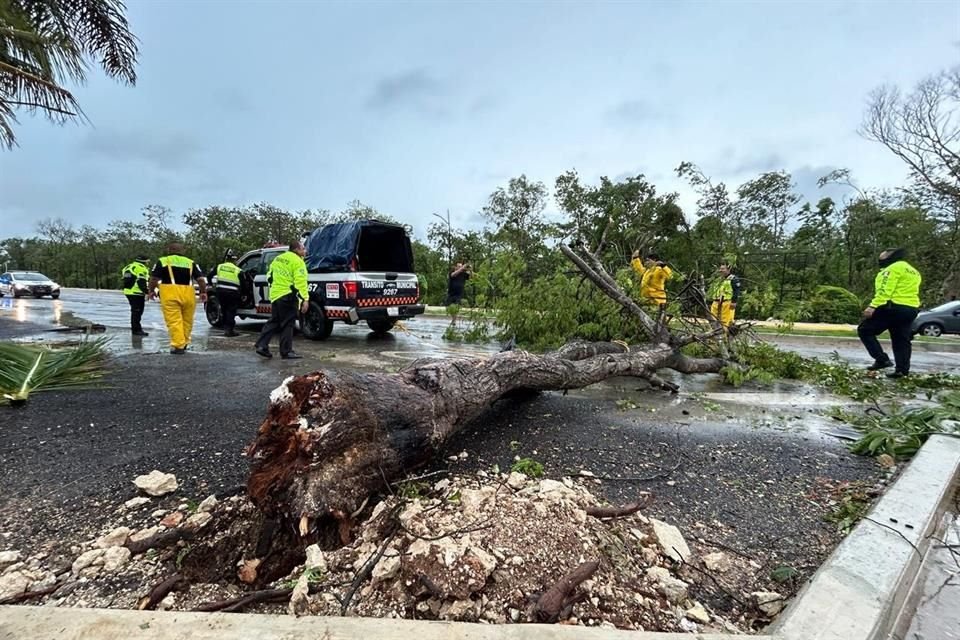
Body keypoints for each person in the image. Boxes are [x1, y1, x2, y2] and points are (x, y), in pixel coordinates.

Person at [858, 248, 922, 378]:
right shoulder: (913, 271)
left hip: (893, 307)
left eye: (882, 258)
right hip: (911, 309)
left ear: (890, 258)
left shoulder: (890, 270)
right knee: (901, 339)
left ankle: (882, 359)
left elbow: (884, 291)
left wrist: (872, 306)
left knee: (865, 330)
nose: (880, 260)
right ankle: (902, 370)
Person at [255, 239, 309, 360]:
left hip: (276, 295)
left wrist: (274, 289)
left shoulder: (278, 259)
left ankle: (262, 345)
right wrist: (305, 299)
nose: (305, 251)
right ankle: (286, 351)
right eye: (303, 248)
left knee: (274, 321)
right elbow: (300, 282)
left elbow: (270, 276)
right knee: (288, 324)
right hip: (288, 296)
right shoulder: (298, 262)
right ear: (296, 250)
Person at [147, 243, 207, 354]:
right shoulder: (191, 262)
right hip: (189, 294)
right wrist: (203, 292)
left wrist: (151, 291)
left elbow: (154, 278)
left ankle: (178, 345)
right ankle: (184, 343)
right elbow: (201, 280)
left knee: (174, 321)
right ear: (182, 251)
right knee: (187, 321)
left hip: (170, 293)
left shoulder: (163, 261)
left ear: (169, 250)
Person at [214, 250, 243, 337]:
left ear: (227, 259)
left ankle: (226, 328)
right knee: (231, 311)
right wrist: (243, 294)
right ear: (234, 260)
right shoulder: (237, 270)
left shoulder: (219, 267)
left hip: (221, 292)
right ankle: (229, 330)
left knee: (224, 309)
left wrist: (213, 284)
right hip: (232, 293)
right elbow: (243, 283)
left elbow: (209, 276)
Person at [121, 254, 151, 336]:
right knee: (137, 312)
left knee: (135, 311)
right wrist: (147, 291)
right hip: (136, 293)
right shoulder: (141, 268)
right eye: (148, 261)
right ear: (144, 261)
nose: (148, 263)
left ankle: (136, 329)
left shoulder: (128, 267)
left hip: (128, 291)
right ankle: (136, 330)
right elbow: (141, 282)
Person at [709, 262, 741, 328]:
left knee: (725, 321)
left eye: (723, 269)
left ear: (728, 269)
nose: (721, 270)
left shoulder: (733, 279)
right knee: (712, 319)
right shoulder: (719, 279)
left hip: (727, 303)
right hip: (716, 302)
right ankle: (713, 334)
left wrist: (734, 302)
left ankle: (724, 334)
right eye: (720, 269)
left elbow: (736, 291)